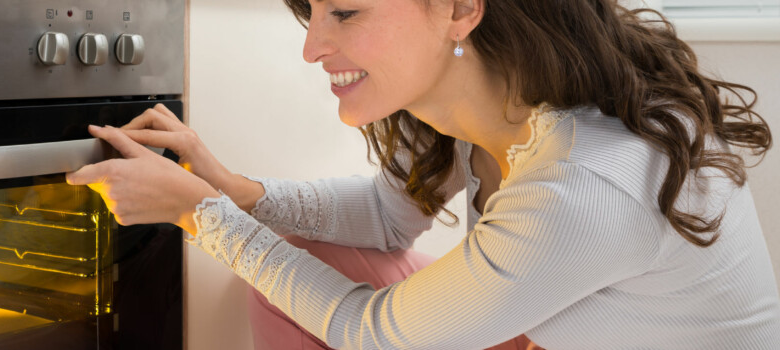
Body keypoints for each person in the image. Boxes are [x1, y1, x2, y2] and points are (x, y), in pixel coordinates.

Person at [66, 0, 779, 348]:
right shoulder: (456, 104)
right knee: (297, 268)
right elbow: (386, 218)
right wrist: (230, 187)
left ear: (462, 9)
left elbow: (368, 332)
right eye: (311, 11)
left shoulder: (586, 180)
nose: (313, 46)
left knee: (305, 288)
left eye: (345, 11)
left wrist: (200, 215)